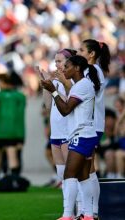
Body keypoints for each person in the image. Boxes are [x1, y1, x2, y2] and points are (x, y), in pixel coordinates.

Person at [41, 55, 101, 220]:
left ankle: (67, 215)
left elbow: (66, 109)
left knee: (69, 174)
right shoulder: (81, 85)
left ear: (77, 68)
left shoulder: (81, 86)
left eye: (67, 66)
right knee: (83, 176)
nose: (63, 70)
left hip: (81, 135)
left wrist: (53, 90)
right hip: (85, 134)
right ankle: (88, 214)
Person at [77, 39, 111, 220]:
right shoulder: (89, 71)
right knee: (86, 169)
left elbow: (84, 95)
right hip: (89, 124)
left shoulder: (92, 71)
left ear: (91, 54)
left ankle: (90, 211)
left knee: (87, 168)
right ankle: (87, 211)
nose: (78, 52)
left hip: (91, 125)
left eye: (81, 50)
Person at [38, 49, 76, 194]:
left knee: (71, 175)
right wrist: (46, 85)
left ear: (69, 62)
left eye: (59, 61)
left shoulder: (72, 80)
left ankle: (79, 211)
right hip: (56, 132)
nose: (56, 65)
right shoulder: (57, 81)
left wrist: (54, 88)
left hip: (68, 131)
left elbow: (68, 102)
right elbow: (48, 106)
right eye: (55, 62)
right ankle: (68, 212)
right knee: (61, 174)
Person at [0, 73, 26, 191]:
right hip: (16, 132)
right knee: (13, 157)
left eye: (0, 82)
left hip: (0, 131)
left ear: (5, 82)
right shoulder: (21, 96)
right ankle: (15, 181)